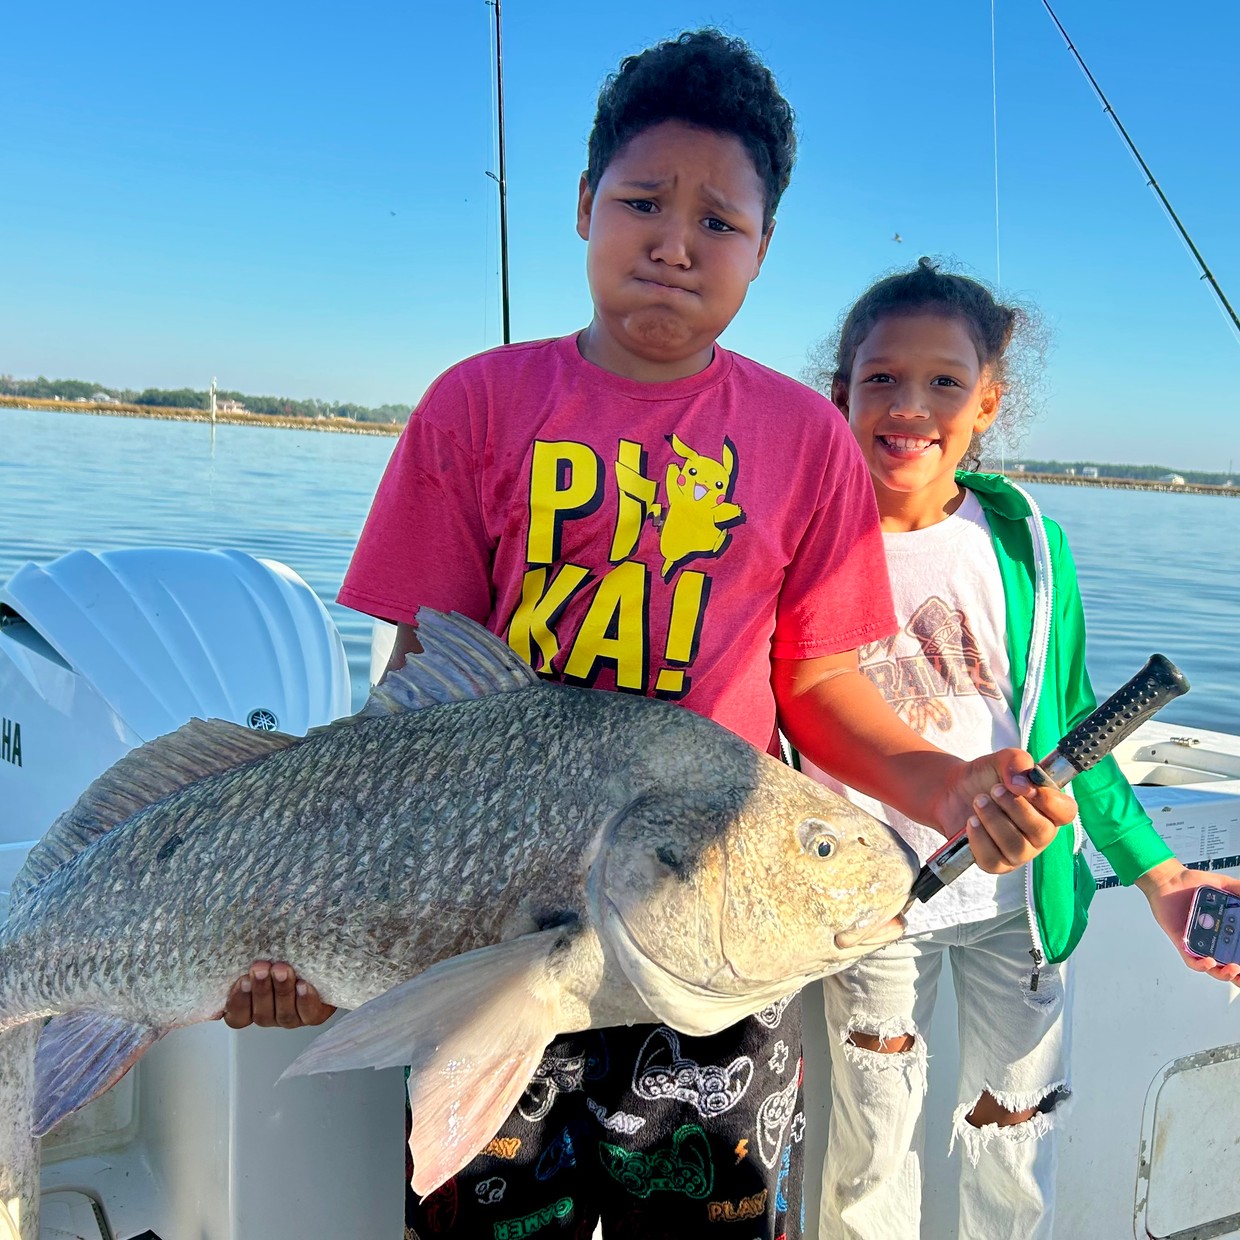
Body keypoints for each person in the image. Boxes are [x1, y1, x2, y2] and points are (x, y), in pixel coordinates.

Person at [225, 36, 1074, 1239]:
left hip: (714, 944)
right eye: (640, 202)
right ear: (581, 208)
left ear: (762, 250)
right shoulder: (475, 403)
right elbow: (418, 693)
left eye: (719, 222)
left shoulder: (805, 439)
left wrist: (946, 786)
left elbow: (820, 677)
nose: (675, 242)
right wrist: (311, 911)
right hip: (496, 929)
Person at [803, 256, 1240, 1240]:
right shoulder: (803, 535)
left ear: (987, 402)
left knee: (1015, 1149)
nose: (909, 407)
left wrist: (1160, 873)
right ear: (841, 392)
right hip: (868, 903)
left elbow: (1074, 719)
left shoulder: (1025, 539)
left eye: (944, 382)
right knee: (866, 1156)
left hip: (1022, 905)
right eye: (880, 378)